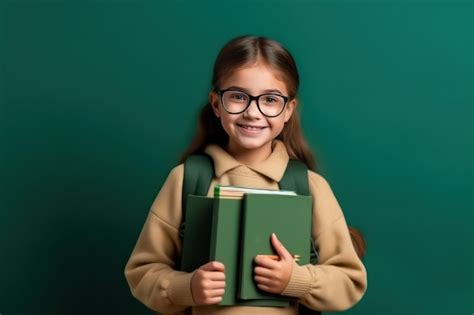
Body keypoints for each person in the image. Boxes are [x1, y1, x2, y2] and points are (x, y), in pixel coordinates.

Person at [124, 35, 367, 315]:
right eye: (238, 96)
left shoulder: (310, 187)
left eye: (270, 100)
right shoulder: (185, 180)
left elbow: (350, 281)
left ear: (288, 109)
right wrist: (187, 287)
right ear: (216, 104)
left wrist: (295, 281)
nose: (253, 112)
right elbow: (142, 273)